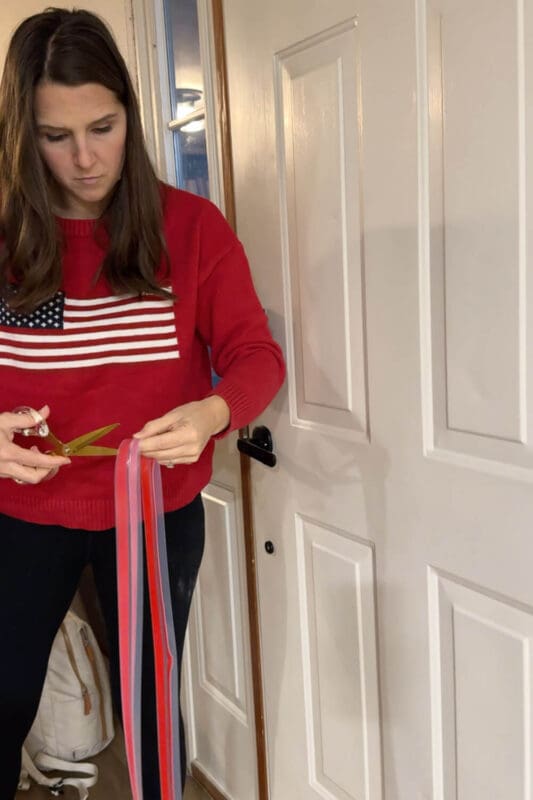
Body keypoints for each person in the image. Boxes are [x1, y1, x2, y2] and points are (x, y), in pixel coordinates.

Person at [0, 7, 285, 799]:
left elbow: (255, 356)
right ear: (25, 136)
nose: (86, 159)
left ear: (130, 113)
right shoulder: (6, 237)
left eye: (104, 125)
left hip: (154, 515)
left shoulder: (190, 228)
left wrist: (212, 414)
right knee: (6, 696)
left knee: (151, 703)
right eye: (57, 137)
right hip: (20, 517)